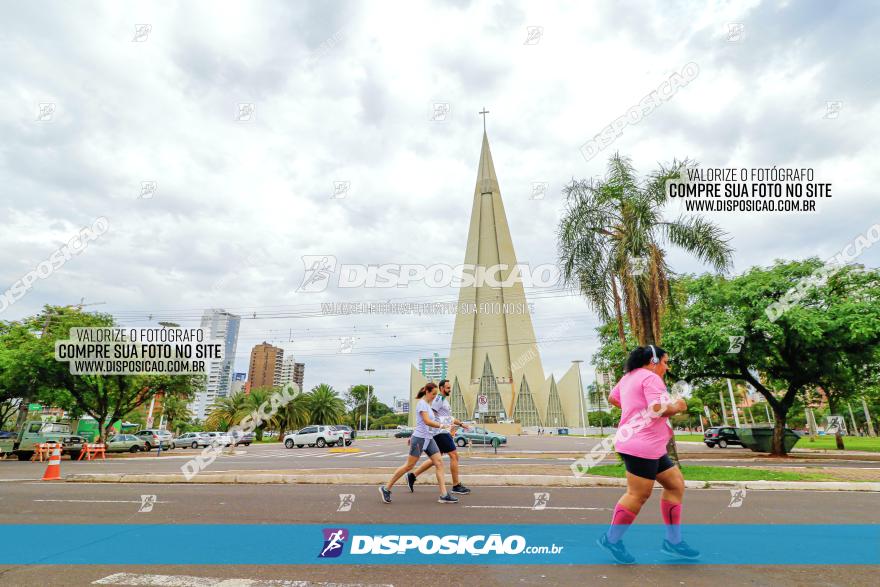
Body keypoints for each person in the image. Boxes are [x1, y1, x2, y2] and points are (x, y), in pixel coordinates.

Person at [597, 345, 699, 564]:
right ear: (653, 361)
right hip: (641, 445)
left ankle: (673, 541)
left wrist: (635, 411)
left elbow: (613, 398)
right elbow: (656, 409)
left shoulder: (628, 377)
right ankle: (611, 540)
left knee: (675, 484)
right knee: (638, 495)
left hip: (649, 445)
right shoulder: (651, 378)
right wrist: (678, 406)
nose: (667, 366)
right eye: (665, 362)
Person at [379, 382, 458, 504]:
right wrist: (442, 425)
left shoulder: (427, 404)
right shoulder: (422, 404)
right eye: (433, 394)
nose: (434, 396)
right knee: (409, 466)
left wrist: (447, 426)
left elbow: (422, 423)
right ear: (427, 392)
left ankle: (444, 494)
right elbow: (426, 421)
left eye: (436, 394)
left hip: (429, 439)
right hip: (420, 439)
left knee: (439, 463)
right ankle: (386, 488)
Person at [406, 379, 471, 495]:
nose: (449, 390)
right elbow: (428, 416)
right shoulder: (438, 399)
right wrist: (417, 432)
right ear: (441, 388)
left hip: (441, 431)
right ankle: (456, 485)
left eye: (450, 388)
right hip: (439, 432)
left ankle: (412, 476)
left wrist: (460, 424)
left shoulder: (444, 401)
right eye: (447, 388)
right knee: (454, 455)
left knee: (436, 458)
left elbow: (448, 418)